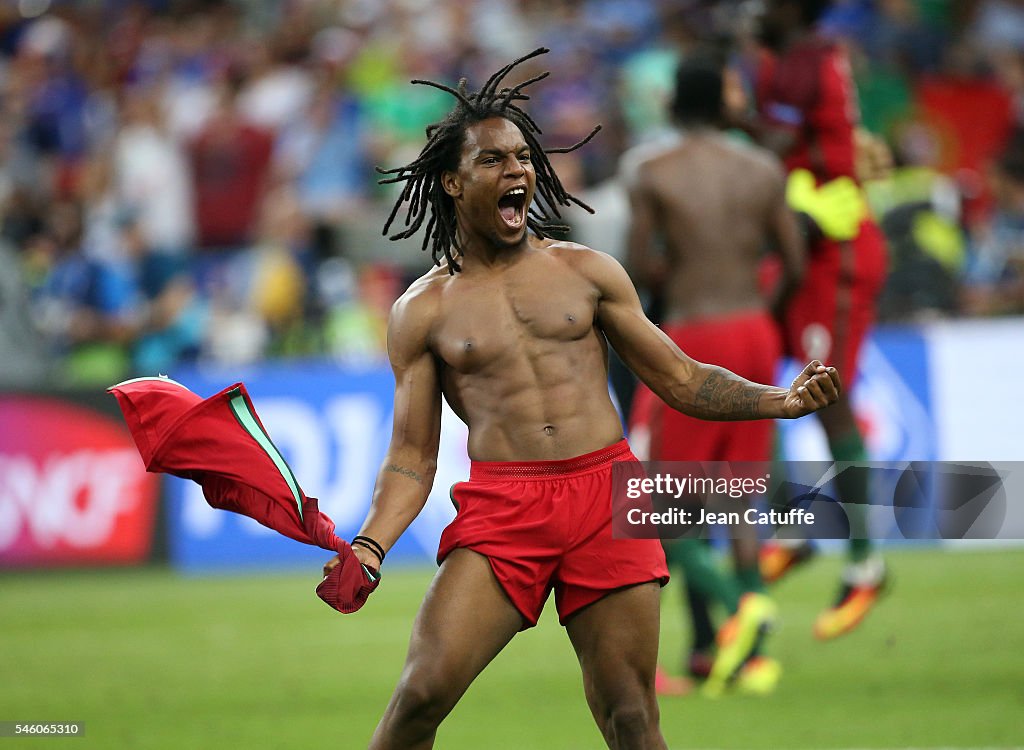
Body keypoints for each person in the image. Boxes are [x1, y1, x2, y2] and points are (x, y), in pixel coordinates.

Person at [321, 49, 842, 749]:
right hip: (506, 509)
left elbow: (681, 378)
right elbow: (412, 457)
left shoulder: (588, 273)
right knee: (420, 694)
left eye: (521, 157)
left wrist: (778, 401)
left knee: (630, 715)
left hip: (605, 497)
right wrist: (371, 546)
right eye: (493, 161)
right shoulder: (422, 310)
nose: (517, 171)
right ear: (450, 182)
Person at [624, 56, 806, 697]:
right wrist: (762, 309)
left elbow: (638, 265)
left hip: (693, 333)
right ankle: (749, 658)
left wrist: (677, 280)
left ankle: (737, 604)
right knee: (739, 496)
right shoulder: (762, 169)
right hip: (756, 328)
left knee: (663, 505)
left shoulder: (653, 173)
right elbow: (793, 259)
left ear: (674, 107)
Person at [731, 0, 889, 639]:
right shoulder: (783, 61)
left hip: (834, 243)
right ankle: (795, 525)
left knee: (829, 398)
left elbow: (769, 142)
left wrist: (715, 122)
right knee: (748, 372)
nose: (752, 13)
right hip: (795, 241)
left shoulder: (808, 63)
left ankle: (866, 564)